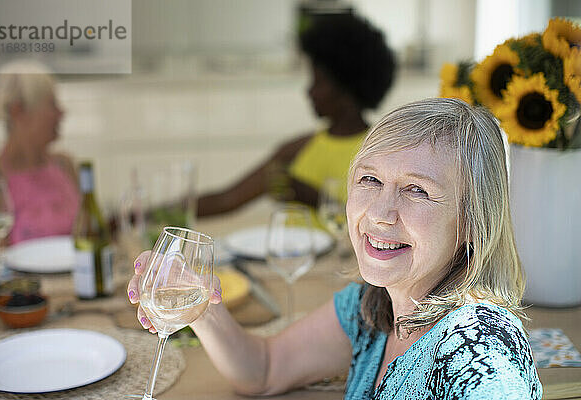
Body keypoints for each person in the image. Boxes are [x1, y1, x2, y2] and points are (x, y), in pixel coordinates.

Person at [128, 98, 542, 399]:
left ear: (473, 222)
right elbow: (264, 369)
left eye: (417, 190)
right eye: (369, 180)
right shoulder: (372, 305)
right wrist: (201, 304)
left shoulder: (480, 354)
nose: (380, 213)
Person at [196, 13, 395, 215]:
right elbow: (226, 199)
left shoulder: (381, 153)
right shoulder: (297, 150)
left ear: (346, 88)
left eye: (318, 82)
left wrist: (314, 198)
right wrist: (169, 210)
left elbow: (380, 222)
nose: (308, 91)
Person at [0, 61, 79, 245]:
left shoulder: (65, 165)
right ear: (18, 111)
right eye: (52, 104)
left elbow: (91, 235)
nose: (62, 112)